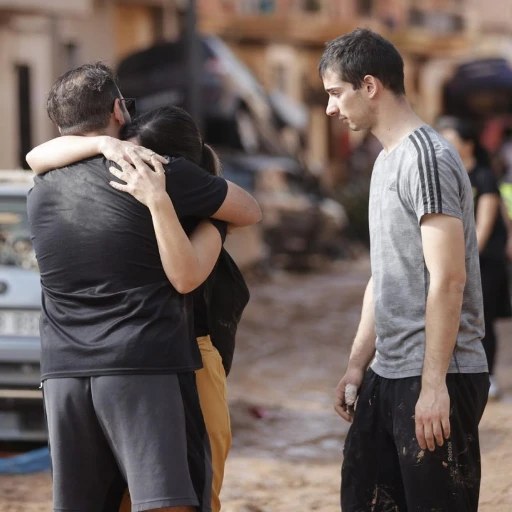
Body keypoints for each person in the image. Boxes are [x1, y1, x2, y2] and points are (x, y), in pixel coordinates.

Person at [26, 63, 261, 512]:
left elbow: (36, 156)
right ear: (119, 109)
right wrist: (210, 218)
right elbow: (248, 210)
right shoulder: (157, 170)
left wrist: (96, 144)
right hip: (143, 363)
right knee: (169, 501)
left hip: (62, 373)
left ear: (61, 127)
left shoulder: (41, 188)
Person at [319, 29, 489, 511]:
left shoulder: (426, 159)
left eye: (336, 93)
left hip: (437, 375)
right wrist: (357, 364)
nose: (330, 108)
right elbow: (384, 274)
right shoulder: (386, 161)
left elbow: (449, 278)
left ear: (369, 85)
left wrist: (434, 385)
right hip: (390, 372)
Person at [437, 117, 511, 399]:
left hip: (484, 262)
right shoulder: (446, 178)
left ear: (467, 145)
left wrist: (460, 261)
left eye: (451, 141)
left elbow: (484, 227)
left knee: (483, 319)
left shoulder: (483, 177)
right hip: (455, 260)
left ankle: (488, 375)